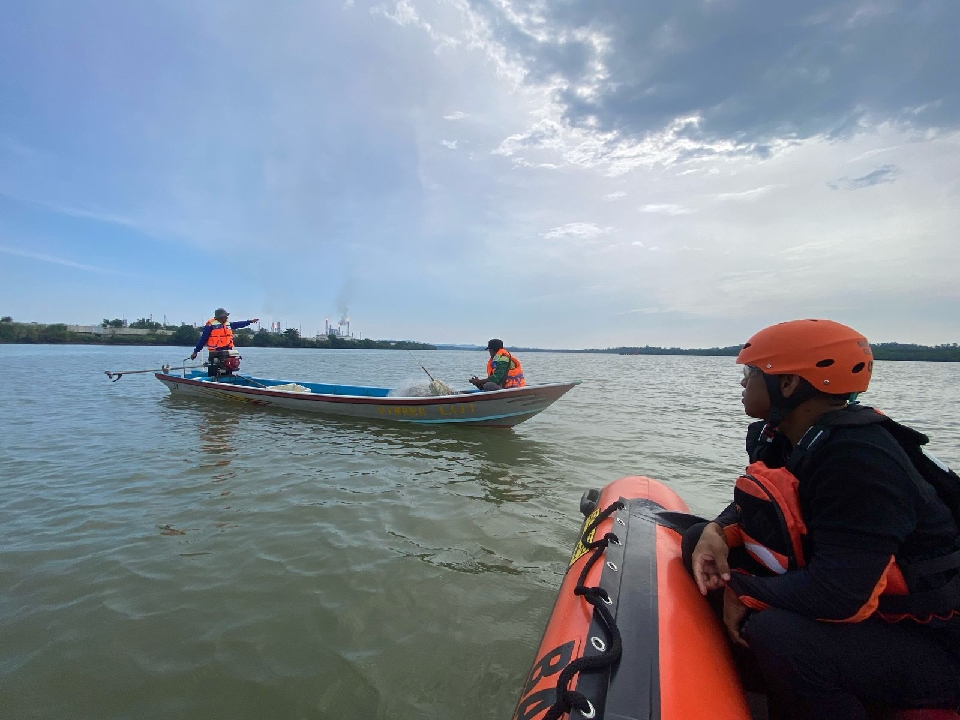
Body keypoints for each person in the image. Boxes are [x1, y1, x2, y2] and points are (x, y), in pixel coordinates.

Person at [682, 319, 960, 720]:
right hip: (868, 611)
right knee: (698, 544)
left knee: (777, 634)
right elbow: (764, 503)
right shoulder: (780, 436)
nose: (742, 383)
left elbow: (841, 595)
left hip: (928, 637)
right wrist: (717, 531)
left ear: (790, 383)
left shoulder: (859, 460)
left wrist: (741, 590)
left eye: (751, 373)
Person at [190, 308, 259, 375]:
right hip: (215, 352)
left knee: (228, 368)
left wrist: (250, 321)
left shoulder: (227, 324)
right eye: (225, 316)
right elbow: (203, 339)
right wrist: (195, 352)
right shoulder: (210, 325)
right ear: (220, 317)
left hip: (227, 351)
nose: (227, 318)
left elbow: (238, 324)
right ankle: (213, 383)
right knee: (215, 370)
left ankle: (228, 381)